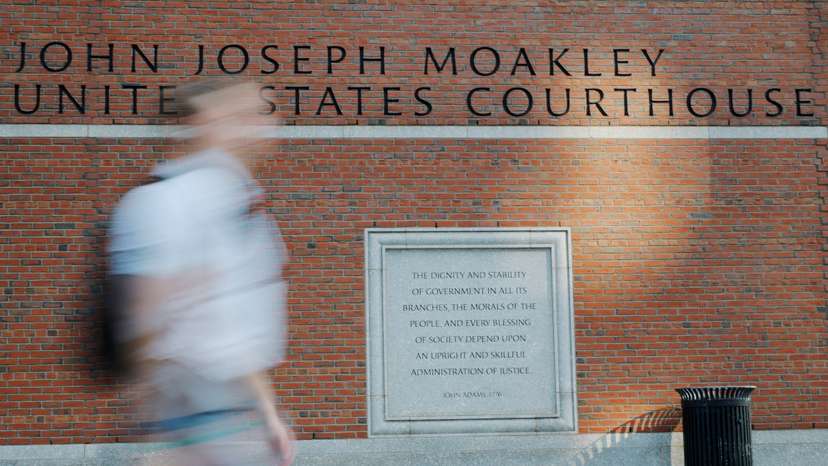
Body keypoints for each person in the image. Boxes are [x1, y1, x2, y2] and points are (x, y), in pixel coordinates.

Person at [107, 79, 294, 465]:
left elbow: (239, 322)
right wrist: (149, 397)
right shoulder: (166, 201)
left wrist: (267, 412)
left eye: (263, 114)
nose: (264, 125)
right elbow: (146, 315)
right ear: (204, 121)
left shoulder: (241, 202)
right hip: (192, 400)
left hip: (233, 410)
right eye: (243, 114)